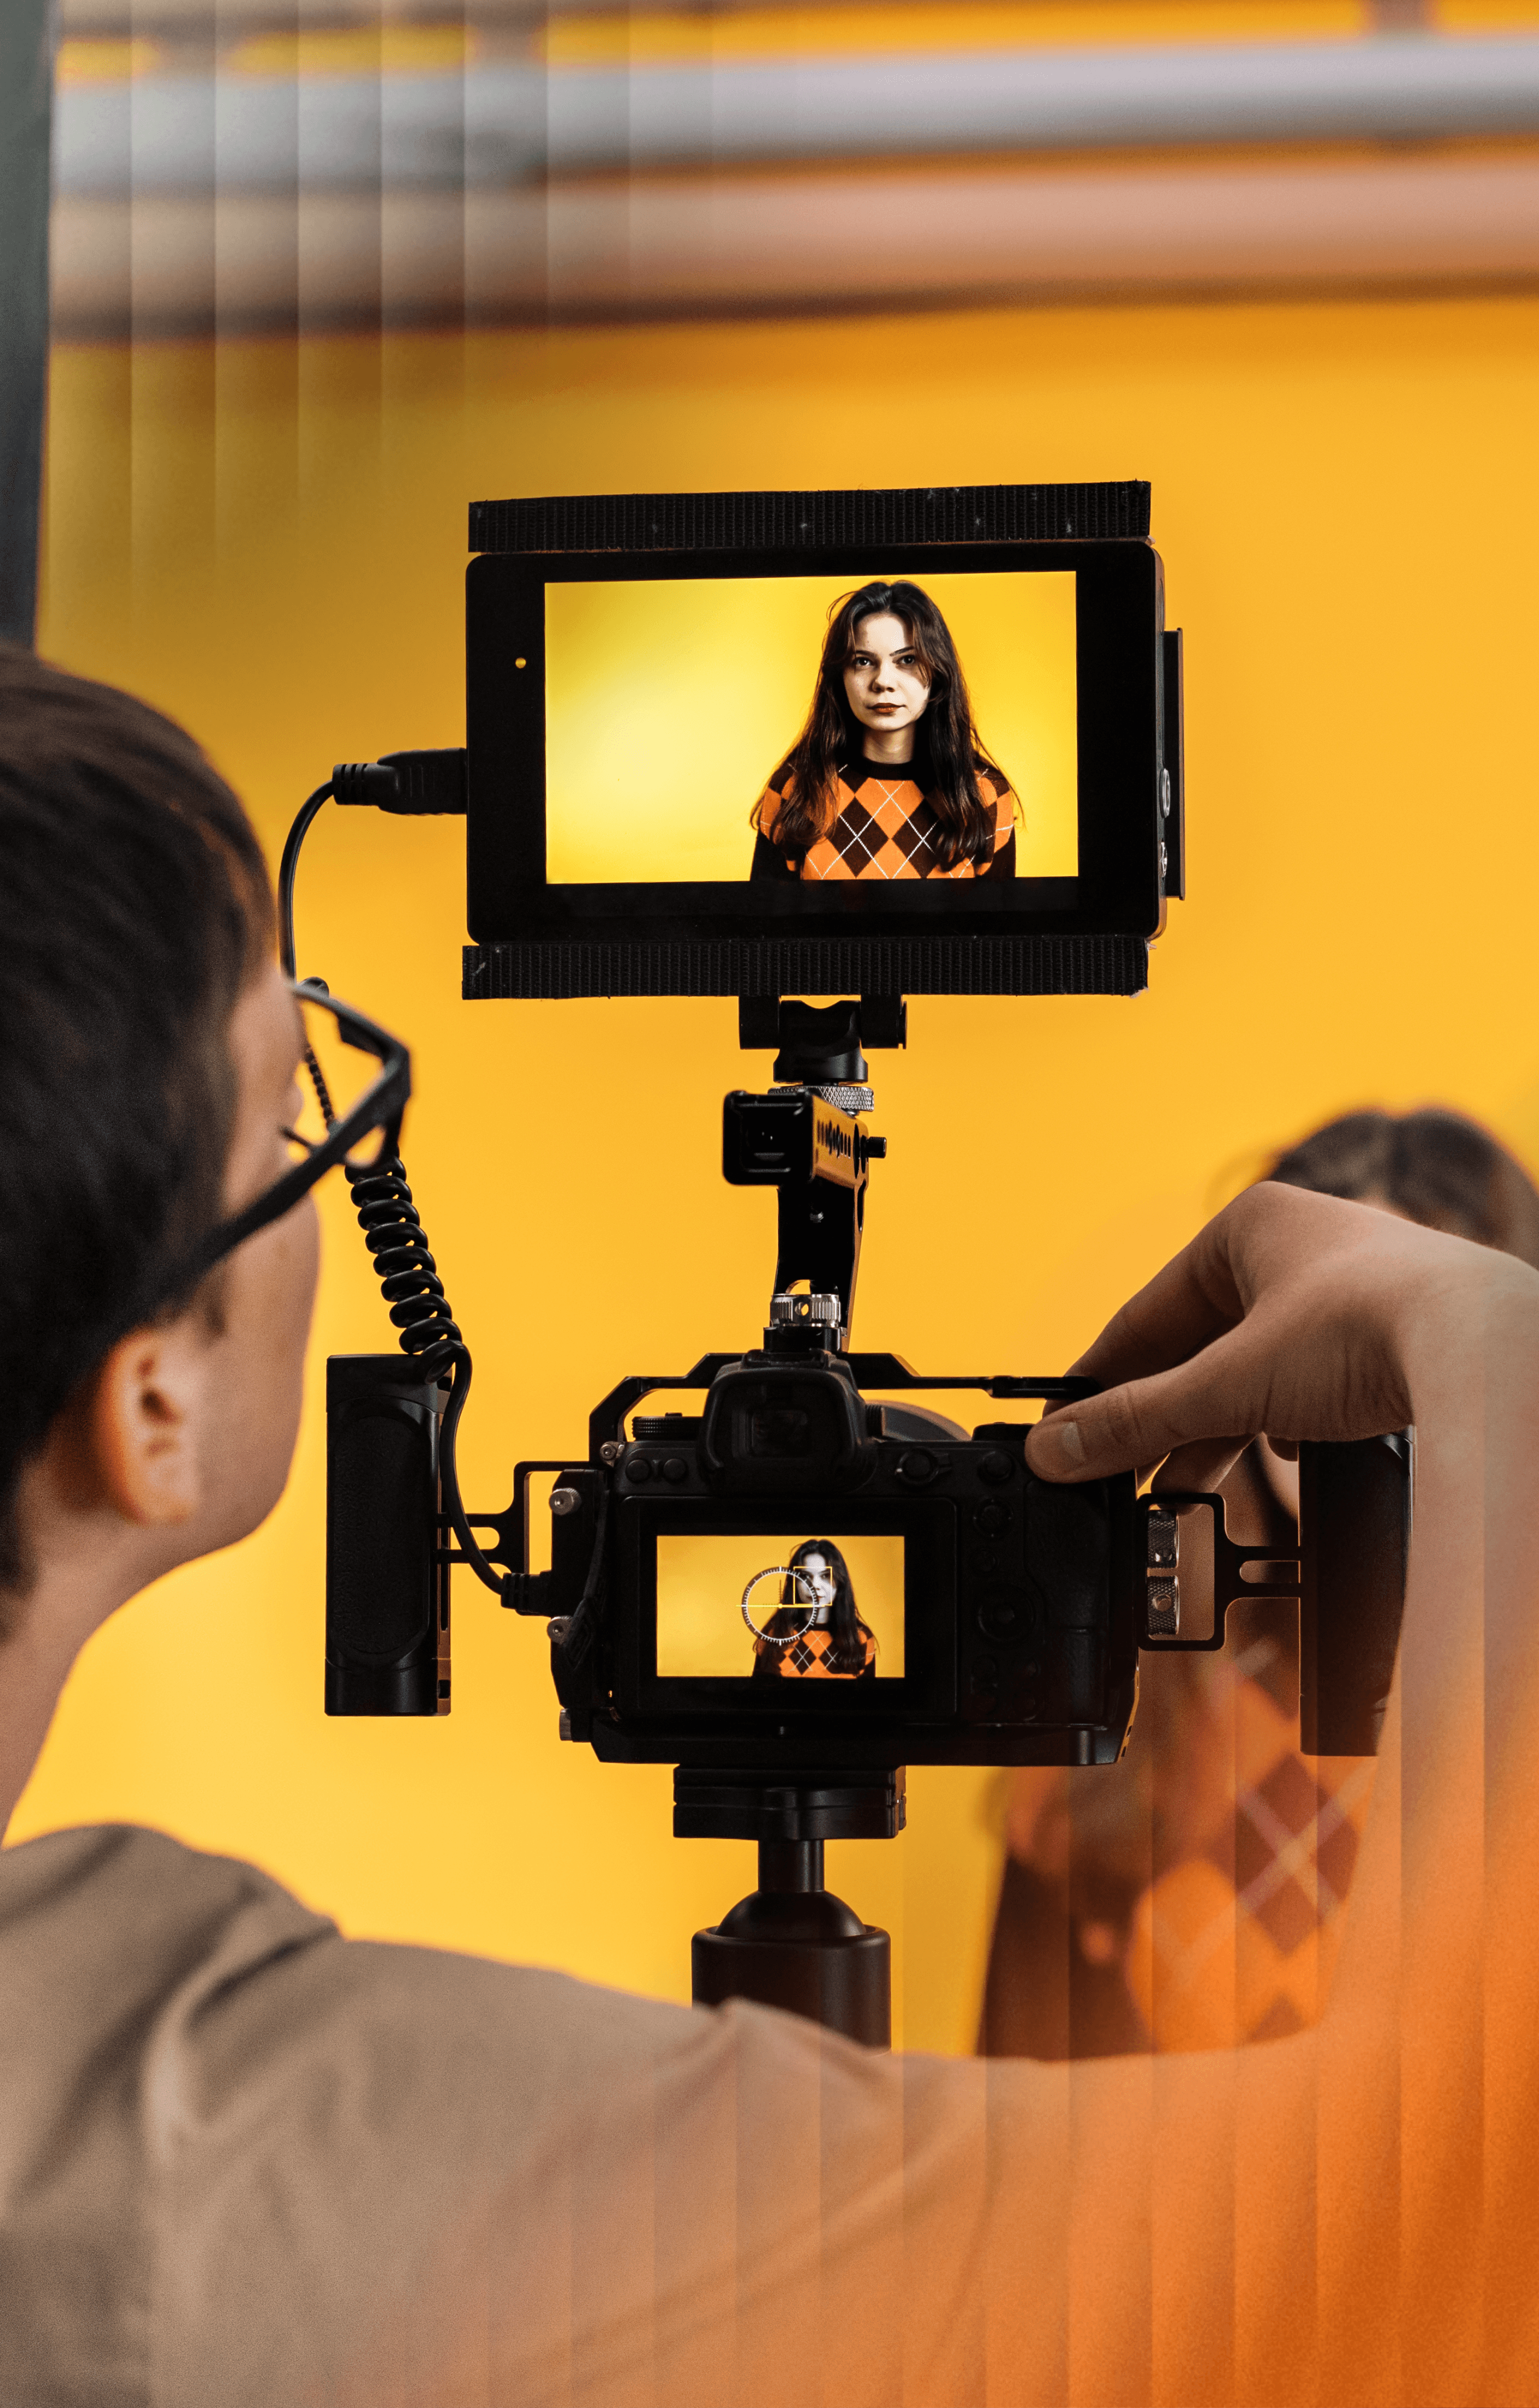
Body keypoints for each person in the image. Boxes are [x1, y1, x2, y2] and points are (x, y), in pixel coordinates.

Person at [4, 636, 1539, 2404]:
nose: (341, 1175)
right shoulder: (217, 2131)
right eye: (295, 1111)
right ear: (150, 1407)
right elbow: (1447, 2203)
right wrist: (1486, 1339)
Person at [979, 1103, 1539, 2064]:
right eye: (1343, 1351)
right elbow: (1014, 2134)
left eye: (1422, 1359)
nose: (1375, 1412)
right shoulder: (1113, 1725)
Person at [750, 579, 1017, 881]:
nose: (883, 681)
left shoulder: (984, 794)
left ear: (938, 671)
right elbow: (764, 927)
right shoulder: (795, 789)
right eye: (863, 661)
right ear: (841, 677)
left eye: (907, 660)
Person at [749, 1538, 877, 1680]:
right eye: (805, 1576)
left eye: (825, 1576)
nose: (815, 1585)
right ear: (795, 1582)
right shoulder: (774, 1634)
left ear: (840, 1580)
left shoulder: (861, 1638)